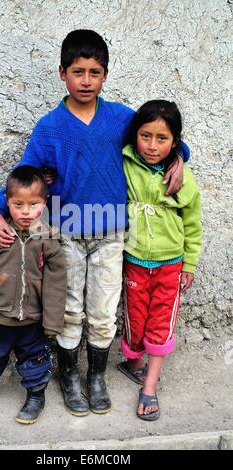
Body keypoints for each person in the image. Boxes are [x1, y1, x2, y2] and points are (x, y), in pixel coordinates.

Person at [0, 30, 190, 417]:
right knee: (69, 311)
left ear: (105, 75)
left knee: (103, 309)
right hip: (66, 235)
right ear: (62, 72)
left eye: (94, 72)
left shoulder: (121, 119)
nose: (85, 80)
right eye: (77, 71)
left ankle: (96, 377)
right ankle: (71, 378)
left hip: (112, 235)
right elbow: (23, 176)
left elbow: (157, 140)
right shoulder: (50, 127)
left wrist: (180, 156)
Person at [118, 100, 202, 420]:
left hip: (170, 264)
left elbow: (193, 225)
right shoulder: (125, 162)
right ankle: (134, 363)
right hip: (135, 260)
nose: (152, 146)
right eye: (145, 136)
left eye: (162, 139)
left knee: (161, 323)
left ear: (175, 143)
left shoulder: (182, 177)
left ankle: (150, 387)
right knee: (135, 318)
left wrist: (189, 264)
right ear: (135, 135)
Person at [0, 166, 67, 424]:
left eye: (33, 204)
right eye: (17, 204)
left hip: (33, 318)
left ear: (44, 204)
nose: (25, 211)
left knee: (36, 358)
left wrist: (53, 321)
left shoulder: (47, 239)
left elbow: (56, 281)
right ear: (7, 204)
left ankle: (35, 394)